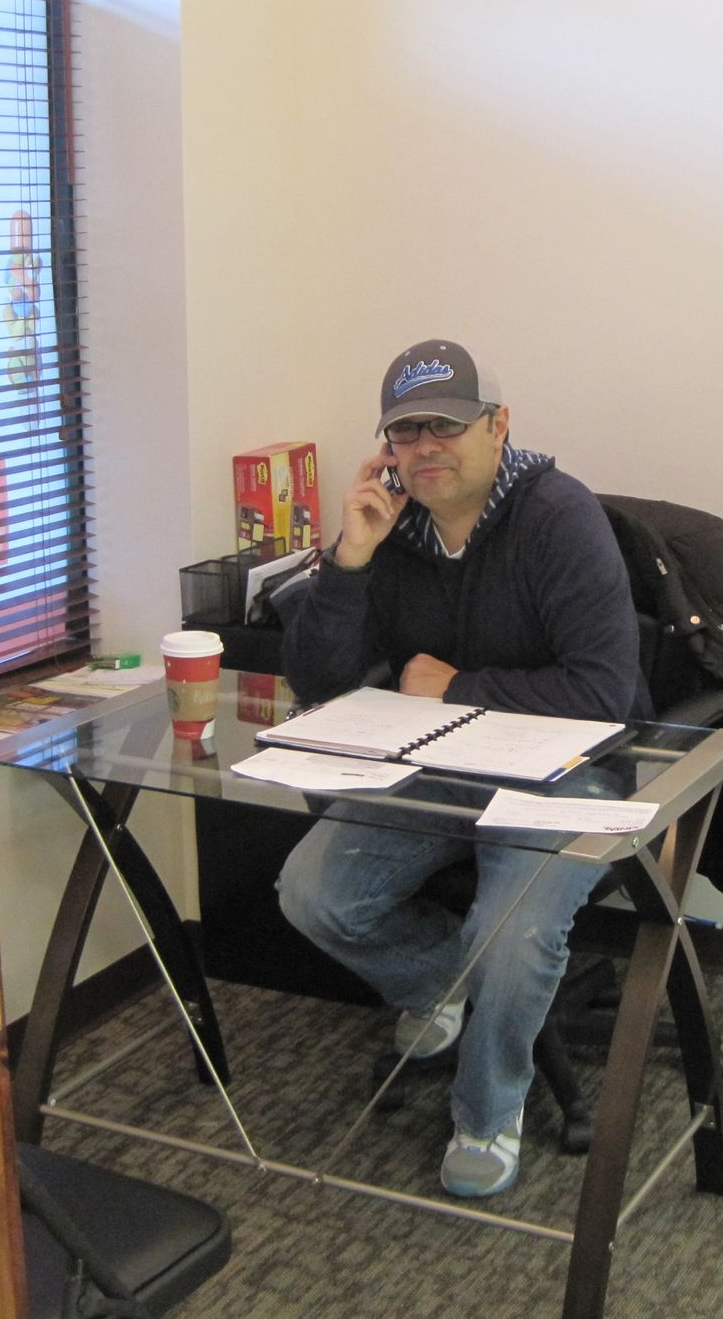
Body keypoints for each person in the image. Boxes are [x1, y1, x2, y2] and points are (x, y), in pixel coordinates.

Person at [276, 339, 648, 1197]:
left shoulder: (558, 517)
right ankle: (447, 989)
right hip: (436, 766)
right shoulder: (396, 528)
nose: (426, 446)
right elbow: (321, 682)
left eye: (448, 424)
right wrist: (353, 555)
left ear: (499, 427)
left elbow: (606, 693)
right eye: (406, 432)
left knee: (512, 935)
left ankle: (488, 1109)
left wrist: (458, 688)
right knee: (314, 894)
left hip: (568, 769)